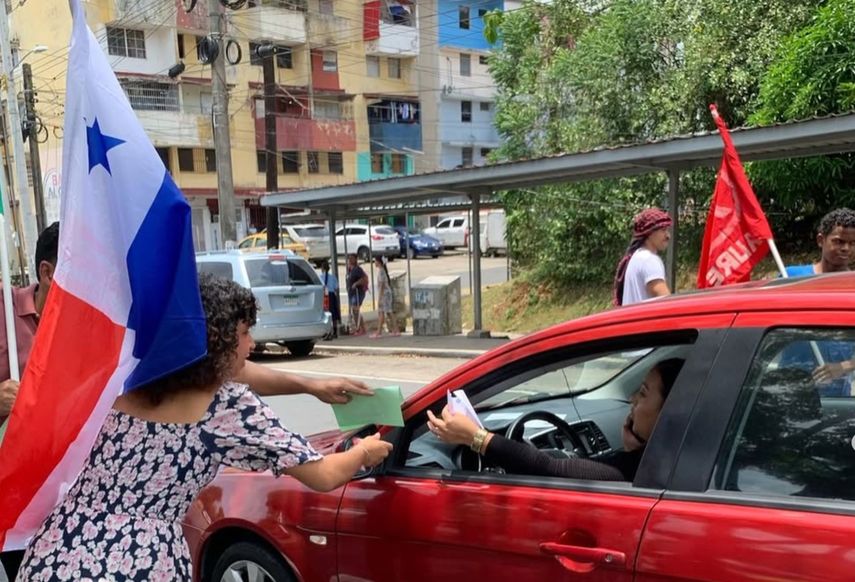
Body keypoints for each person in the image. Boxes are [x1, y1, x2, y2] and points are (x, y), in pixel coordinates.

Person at [0, 225, 372, 581]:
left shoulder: (129, 371)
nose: (253, 345)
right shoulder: (226, 409)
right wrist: (365, 450)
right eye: (244, 334)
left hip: (58, 549)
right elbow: (324, 474)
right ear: (217, 342)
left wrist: (311, 385)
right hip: (138, 560)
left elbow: (239, 370)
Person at [427, 358, 685, 482]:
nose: (632, 399)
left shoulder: (641, 467)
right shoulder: (682, 460)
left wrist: (474, 437)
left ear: (669, 412)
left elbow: (552, 468)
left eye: (642, 393)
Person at [613, 208, 673, 306]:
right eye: (663, 230)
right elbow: (666, 302)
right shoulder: (649, 260)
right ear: (649, 233)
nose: (668, 236)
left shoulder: (637, 257)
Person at [785, 208, 855, 277]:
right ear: (820, 240)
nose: (846, 248)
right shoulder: (791, 276)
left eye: (853, 243)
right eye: (839, 241)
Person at [371, 256, 399, 338]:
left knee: (382, 312)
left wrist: (379, 298)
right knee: (388, 312)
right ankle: (395, 330)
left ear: (379, 262)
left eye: (375, 261)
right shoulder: (382, 271)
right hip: (386, 294)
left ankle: (379, 332)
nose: (374, 263)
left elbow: (382, 285)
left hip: (384, 294)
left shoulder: (381, 272)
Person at [345, 254, 368, 336]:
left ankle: (360, 328)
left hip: (358, 293)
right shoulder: (349, 270)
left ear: (355, 259)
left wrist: (356, 283)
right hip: (351, 293)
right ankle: (361, 328)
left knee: (355, 309)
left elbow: (364, 279)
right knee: (355, 310)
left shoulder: (357, 269)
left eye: (352, 259)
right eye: (349, 259)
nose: (350, 260)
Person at [320, 259, 341, 339]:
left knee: (325, 313)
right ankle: (335, 331)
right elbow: (336, 287)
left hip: (325, 295)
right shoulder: (333, 277)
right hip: (331, 295)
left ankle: (327, 331)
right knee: (333, 313)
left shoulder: (320, 277)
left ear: (322, 268)